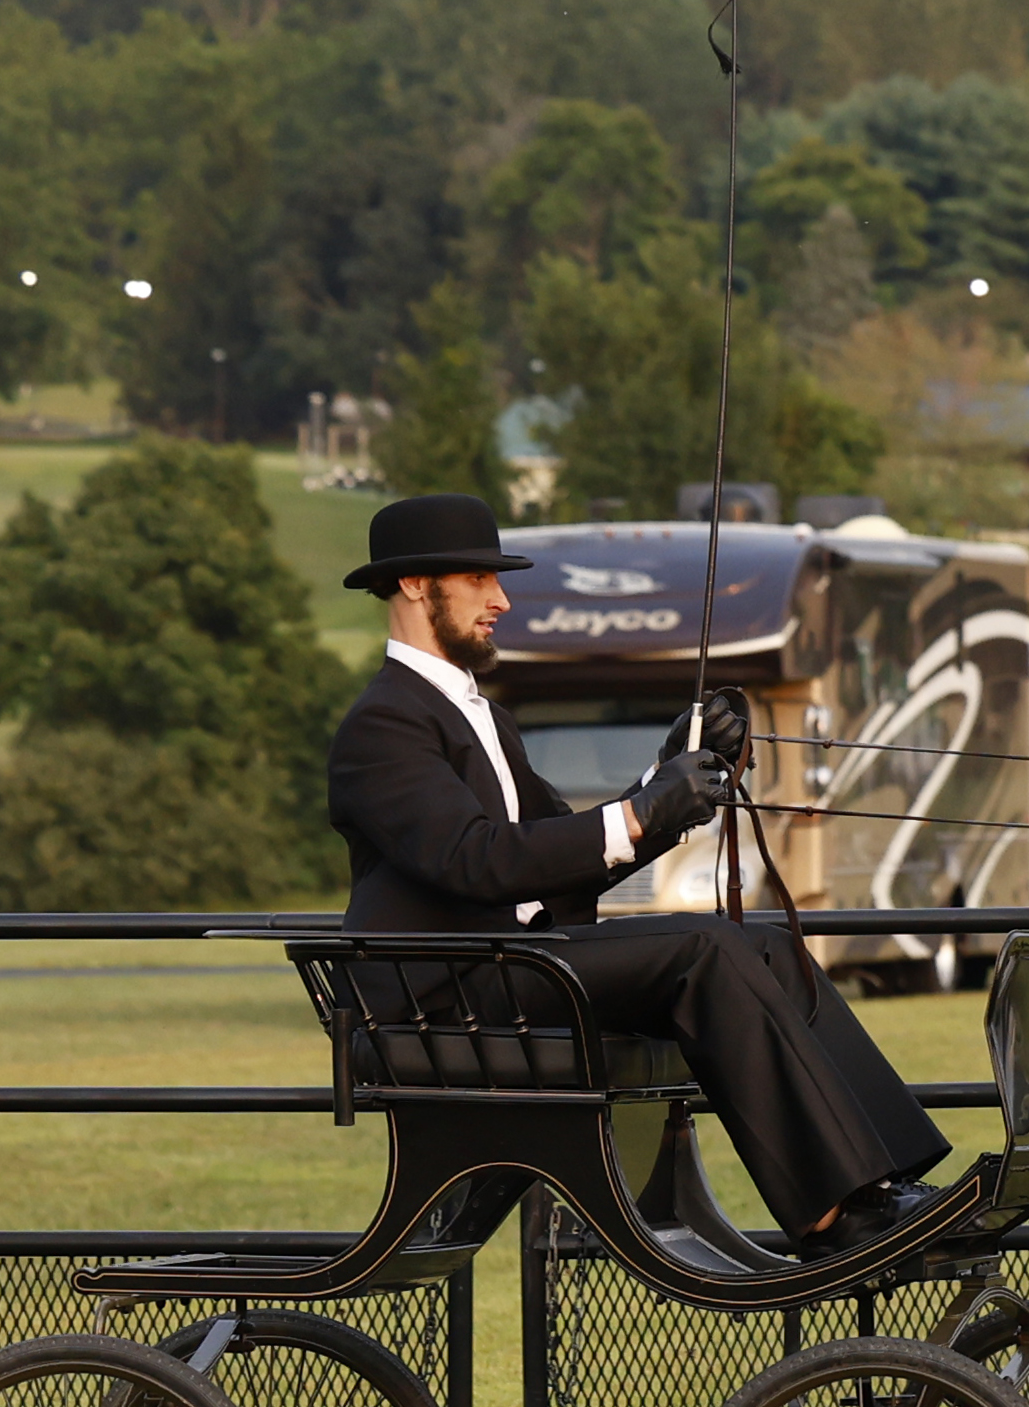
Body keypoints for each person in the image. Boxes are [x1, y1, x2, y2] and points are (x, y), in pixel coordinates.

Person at [327, 492, 955, 1259]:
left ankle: (888, 1181)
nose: (502, 598)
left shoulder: (481, 715)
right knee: (702, 948)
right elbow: (478, 859)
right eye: (480, 579)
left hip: (518, 965)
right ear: (417, 586)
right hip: (451, 987)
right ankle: (831, 1214)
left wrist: (672, 782)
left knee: (762, 944)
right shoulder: (383, 724)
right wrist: (642, 811)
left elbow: (564, 856)